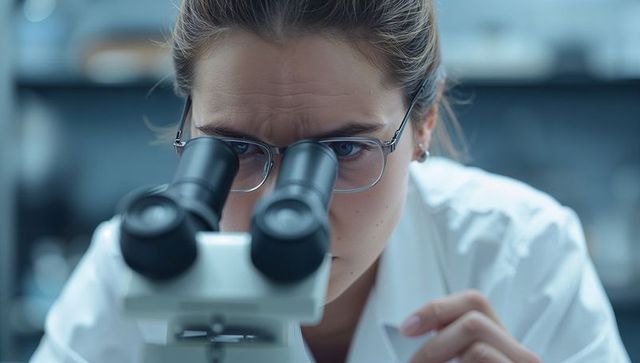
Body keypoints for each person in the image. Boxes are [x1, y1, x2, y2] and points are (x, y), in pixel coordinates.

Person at [31, 1, 630, 362]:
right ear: (190, 125)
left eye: (344, 149)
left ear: (422, 123)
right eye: (235, 148)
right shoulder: (128, 270)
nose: (280, 206)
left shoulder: (522, 256)